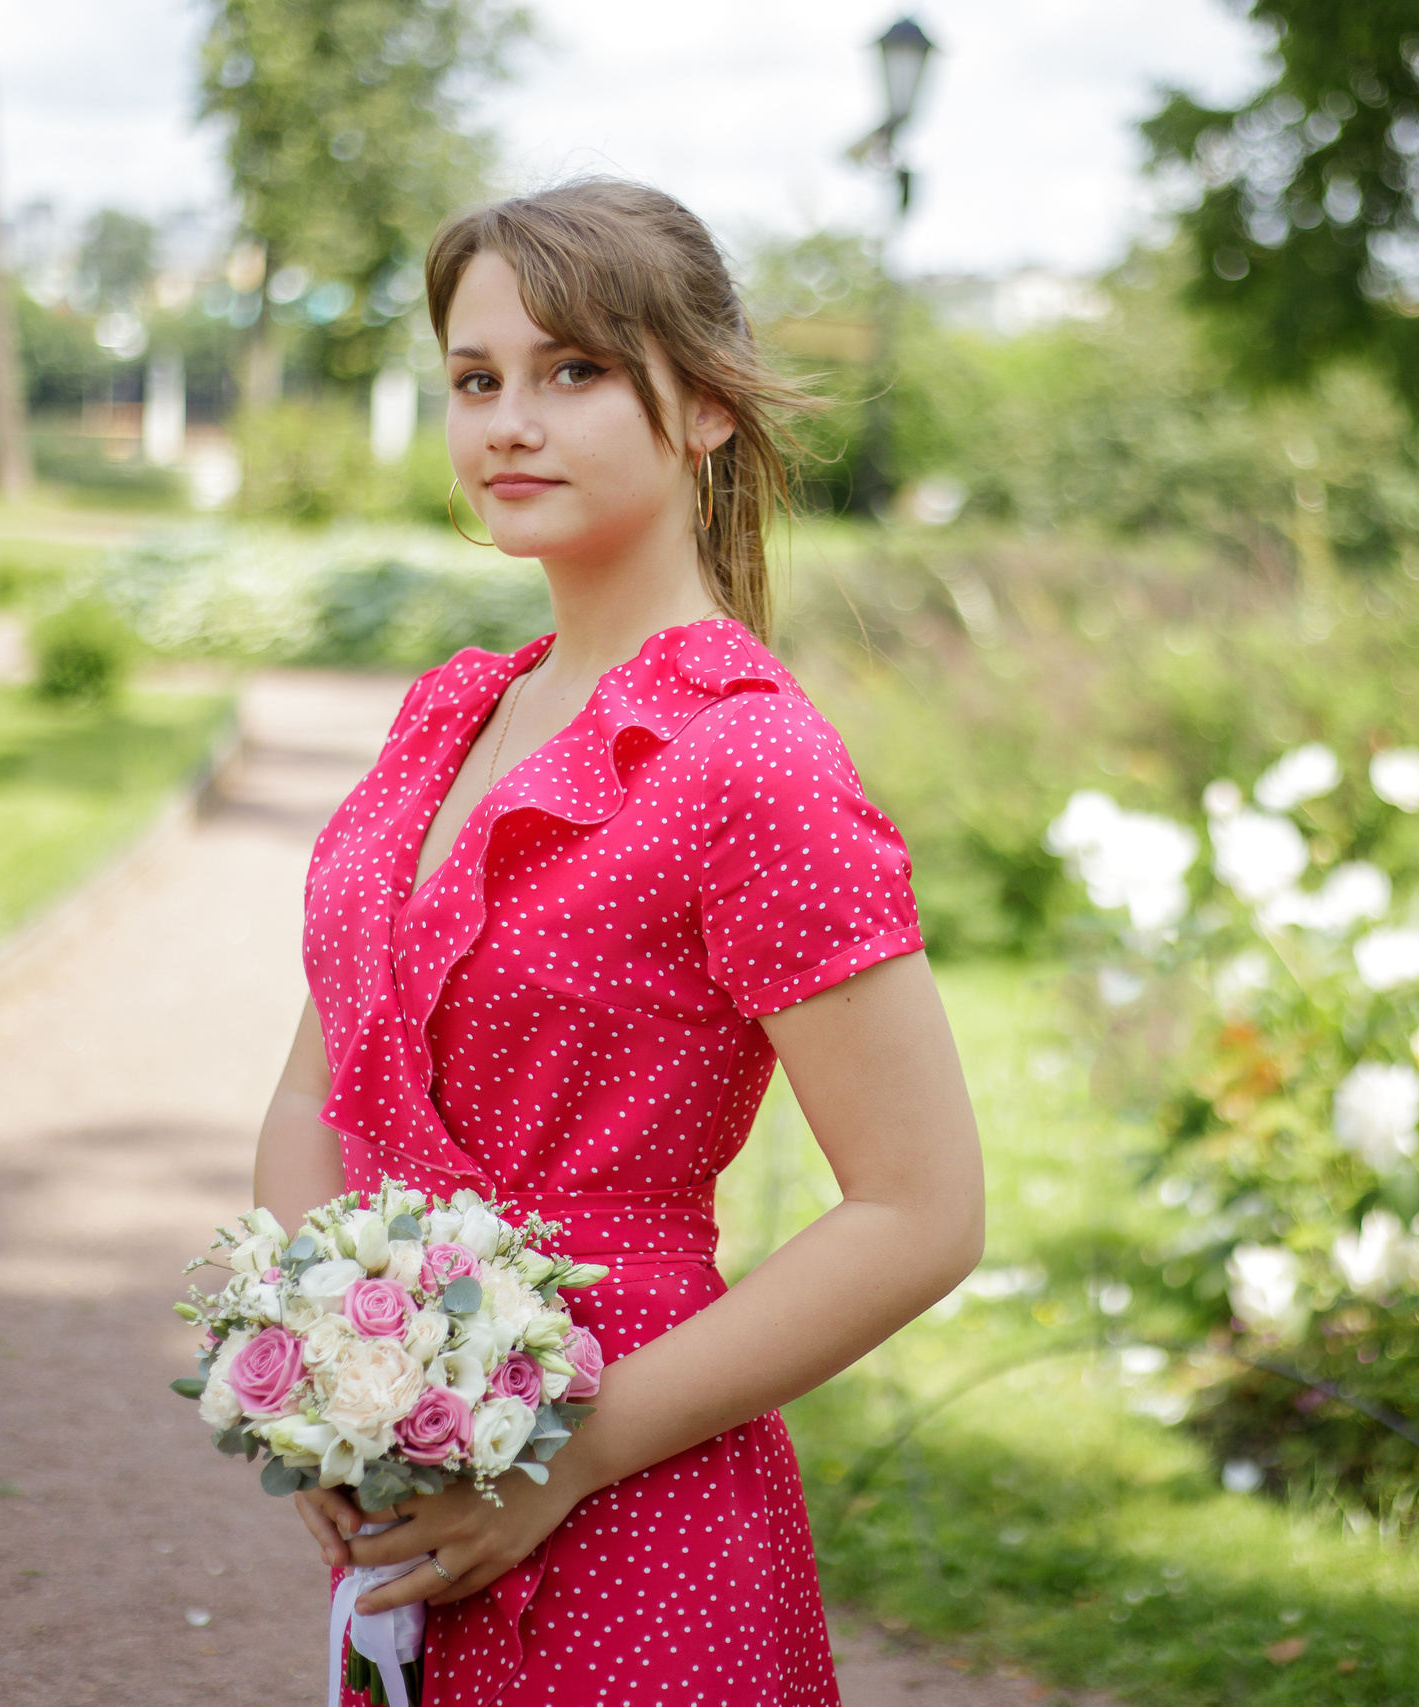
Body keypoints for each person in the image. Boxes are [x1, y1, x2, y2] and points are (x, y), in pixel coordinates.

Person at [249, 178, 986, 1706]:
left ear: (707, 404)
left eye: (573, 370)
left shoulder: (749, 764)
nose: (510, 422)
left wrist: (563, 1459)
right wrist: (325, 1384)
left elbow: (921, 1210)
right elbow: (319, 1090)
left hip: (641, 1520)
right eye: (476, 379)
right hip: (411, 1516)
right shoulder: (448, 719)